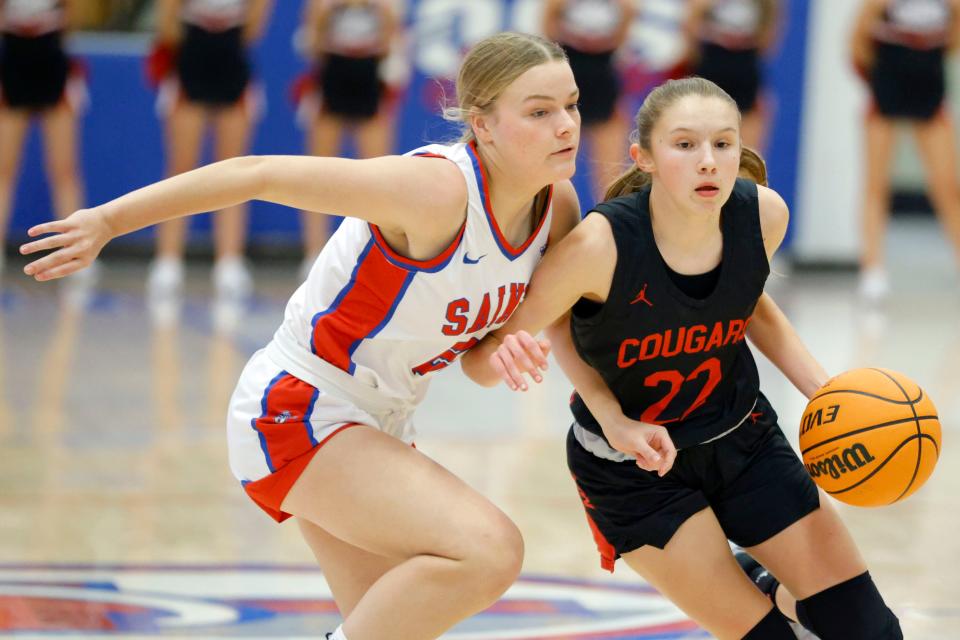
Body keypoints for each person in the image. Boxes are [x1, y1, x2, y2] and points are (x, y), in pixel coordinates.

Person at [21, 32, 582, 640]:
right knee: (490, 550)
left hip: (380, 420)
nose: (565, 125)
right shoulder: (435, 191)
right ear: (485, 125)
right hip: (302, 405)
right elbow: (255, 172)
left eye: (572, 105)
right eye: (539, 111)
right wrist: (109, 220)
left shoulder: (559, 208)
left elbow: (477, 362)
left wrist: (506, 351)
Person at [461, 77, 902, 639]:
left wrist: (826, 389)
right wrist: (604, 412)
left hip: (743, 439)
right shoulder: (600, 246)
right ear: (642, 157)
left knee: (872, 632)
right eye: (685, 145)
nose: (709, 162)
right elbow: (486, 354)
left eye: (722, 144)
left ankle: (769, 585)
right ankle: (757, 592)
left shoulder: (763, 214)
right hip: (635, 471)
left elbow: (750, 304)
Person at [147, 0, 273, 304]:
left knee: (235, 170)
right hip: (189, 64)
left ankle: (229, 262)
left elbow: (254, 28)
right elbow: (166, 23)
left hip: (232, 66)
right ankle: (168, 261)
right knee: (181, 168)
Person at [851, 0, 960, 301]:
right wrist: (876, 79)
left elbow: (954, 37)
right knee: (876, 182)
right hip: (888, 85)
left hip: (930, 88)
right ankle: (872, 269)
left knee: (948, 184)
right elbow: (857, 38)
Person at [295, 0, 405, 277]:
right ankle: (313, 254)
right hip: (332, 77)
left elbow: (394, 47)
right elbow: (310, 45)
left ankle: (378, 253)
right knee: (317, 173)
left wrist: (385, 16)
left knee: (379, 175)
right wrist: (323, 14)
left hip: (369, 80)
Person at [0, 0, 87, 285]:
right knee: (3, 168)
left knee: (64, 168)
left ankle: (75, 251)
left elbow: (76, 13)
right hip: (12, 59)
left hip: (51, 58)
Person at [543, 0, 634, 202]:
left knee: (611, 170)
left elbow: (626, 21)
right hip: (570, 70)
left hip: (602, 73)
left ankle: (611, 221)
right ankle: (548, 222)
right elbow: (548, 25)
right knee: (554, 167)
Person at [680, 0, 779, 151]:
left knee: (747, 139)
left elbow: (771, 22)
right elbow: (691, 21)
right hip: (712, 57)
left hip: (744, 60)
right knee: (701, 130)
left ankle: (743, 170)